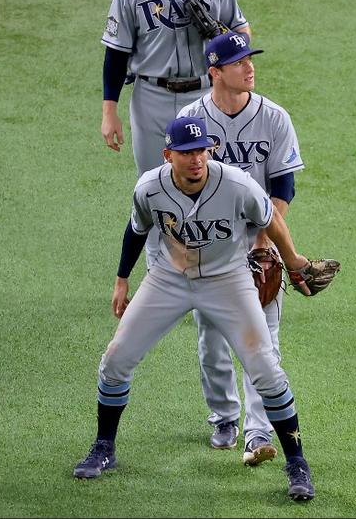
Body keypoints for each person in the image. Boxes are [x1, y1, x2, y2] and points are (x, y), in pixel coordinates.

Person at [73, 116, 316, 502]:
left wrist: (293, 261)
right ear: (169, 155)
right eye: (186, 152)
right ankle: (104, 447)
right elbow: (136, 229)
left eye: (201, 150)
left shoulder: (236, 184)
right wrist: (122, 280)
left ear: (210, 150)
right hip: (167, 280)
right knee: (116, 359)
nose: (196, 158)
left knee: (266, 369)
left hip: (227, 281)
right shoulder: (150, 187)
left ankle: (297, 464)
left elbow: (272, 221)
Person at [98, 0, 258, 451]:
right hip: (148, 97)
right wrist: (109, 108)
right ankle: (166, 270)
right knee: (155, 190)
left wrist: (216, 33)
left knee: (209, 181)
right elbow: (118, 51)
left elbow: (242, 35)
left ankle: (217, 257)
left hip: (199, 94)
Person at [177, 31, 304, 466]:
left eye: (250, 59)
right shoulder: (192, 119)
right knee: (212, 338)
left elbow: (284, 186)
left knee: (263, 341)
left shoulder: (274, 117)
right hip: (209, 247)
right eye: (238, 62)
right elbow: (182, 185)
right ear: (215, 72)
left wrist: (264, 238)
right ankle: (224, 418)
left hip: (261, 240)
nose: (249, 67)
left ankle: (258, 432)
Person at [100, 0, 251, 176]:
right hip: (151, 101)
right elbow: (116, 54)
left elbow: (242, 33)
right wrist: (109, 113)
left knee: (212, 184)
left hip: (206, 95)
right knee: (153, 187)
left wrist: (221, 39)